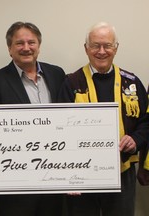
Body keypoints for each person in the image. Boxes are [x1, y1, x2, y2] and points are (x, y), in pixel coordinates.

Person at [58, 22, 149, 216]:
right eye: (95, 45)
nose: (101, 51)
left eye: (107, 45)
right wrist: (67, 175)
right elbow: (59, 129)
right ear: (86, 48)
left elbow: (146, 121)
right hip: (81, 174)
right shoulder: (71, 82)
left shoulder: (131, 82)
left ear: (116, 48)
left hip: (122, 170)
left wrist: (136, 140)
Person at [0, 21, 66, 216]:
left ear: (39, 45)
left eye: (32, 42)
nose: (26, 48)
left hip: (53, 175)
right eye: (20, 43)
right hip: (15, 180)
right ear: (10, 49)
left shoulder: (57, 74)